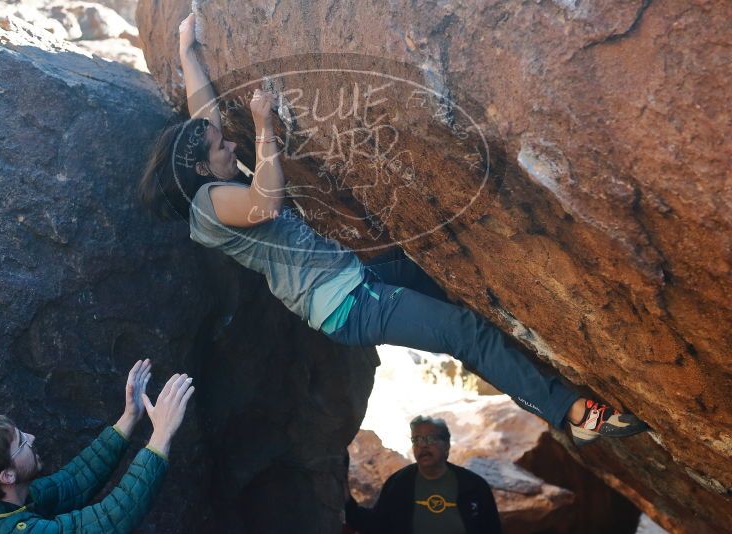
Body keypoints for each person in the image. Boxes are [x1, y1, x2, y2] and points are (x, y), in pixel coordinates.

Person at [137, 14, 648, 447]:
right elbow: (265, 202)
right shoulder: (207, 206)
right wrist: (266, 130)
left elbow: (203, 111)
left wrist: (187, 48)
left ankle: (532, 390)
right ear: (203, 169)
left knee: (464, 295)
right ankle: (571, 415)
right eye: (221, 147)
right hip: (346, 305)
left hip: (355, 272)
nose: (230, 145)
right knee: (461, 330)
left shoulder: (203, 177)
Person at [0, 359, 195, 533]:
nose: (31, 437)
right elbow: (108, 521)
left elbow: (72, 482)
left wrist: (129, 417)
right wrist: (162, 435)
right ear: (7, 475)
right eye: (21, 442)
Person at [345, 416, 501, 534]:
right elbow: (377, 525)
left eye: (431, 439)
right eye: (417, 440)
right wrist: (346, 501)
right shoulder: (399, 483)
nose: (423, 445)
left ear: (447, 445)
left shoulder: (474, 486)